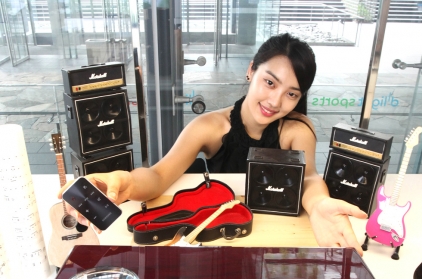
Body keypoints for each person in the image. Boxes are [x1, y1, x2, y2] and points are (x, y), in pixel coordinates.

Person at [59, 33, 367, 254]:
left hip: (274, 240)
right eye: (269, 82)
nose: (275, 101)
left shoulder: (296, 130)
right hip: (216, 240)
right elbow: (158, 175)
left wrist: (319, 205)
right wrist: (125, 180)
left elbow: (309, 178)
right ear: (251, 70)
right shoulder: (209, 126)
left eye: (291, 93)